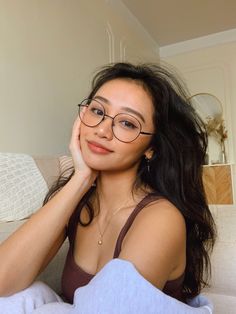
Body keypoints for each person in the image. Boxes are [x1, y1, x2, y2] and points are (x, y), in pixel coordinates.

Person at [0, 62, 216, 308]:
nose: (102, 130)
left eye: (128, 123)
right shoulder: (76, 200)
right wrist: (80, 179)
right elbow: (3, 283)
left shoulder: (161, 218)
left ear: (151, 148)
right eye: (98, 111)